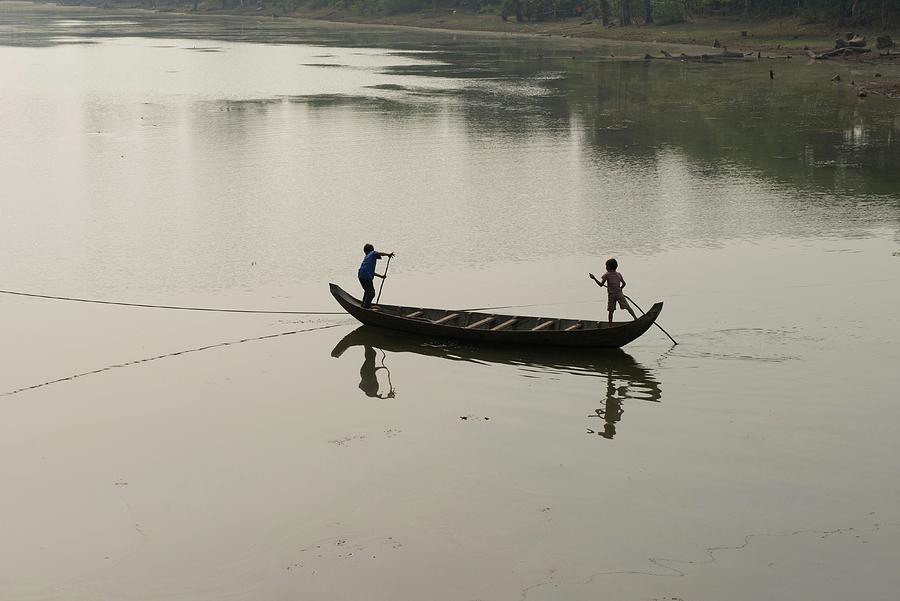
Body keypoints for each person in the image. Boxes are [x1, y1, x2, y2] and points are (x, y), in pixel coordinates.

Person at [589, 258, 637, 326]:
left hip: (612, 295)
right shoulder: (618, 274)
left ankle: (610, 325)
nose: (606, 268)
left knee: (611, 311)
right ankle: (635, 318)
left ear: (608, 267)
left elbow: (601, 285)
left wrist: (594, 278)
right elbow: (624, 284)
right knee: (627, 307)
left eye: (606, 266)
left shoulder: (606, 275)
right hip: (619, 294)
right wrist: (620, 289)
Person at [358, 243, 394, 309]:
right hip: (366, 276)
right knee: (371, 293)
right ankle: (366, 307)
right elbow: (379, 253)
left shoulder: (367, 257)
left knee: (367, 291)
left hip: (361, 275)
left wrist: (381, 276)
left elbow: (370, 271)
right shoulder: (372, 253)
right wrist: (388, 254)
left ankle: (364, 305)